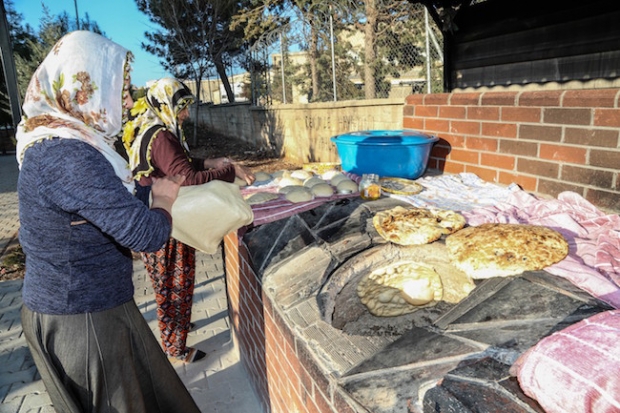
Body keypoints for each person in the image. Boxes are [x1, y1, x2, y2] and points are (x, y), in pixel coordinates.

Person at [16, 31, 201, 413]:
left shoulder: (55, 140)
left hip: (80, 307)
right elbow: (145, 234)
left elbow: (107, 206)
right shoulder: (68, 155)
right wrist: (164, 200)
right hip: (83, 318)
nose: (129, 100)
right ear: (84, 86)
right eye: (121, 87)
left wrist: (146, 194)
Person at [123, 77, 255, 363]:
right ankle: (175, 346)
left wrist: (210, 162)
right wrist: (231, 170)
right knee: (175, 283)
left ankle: (176, 324)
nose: (185, 114)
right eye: (181, 107)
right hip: (168, 224)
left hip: (154, 218)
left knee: (166, 283)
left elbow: (179, 164)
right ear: (165, 104)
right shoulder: (161, 137)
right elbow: (189, 180)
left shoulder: (153, 130)